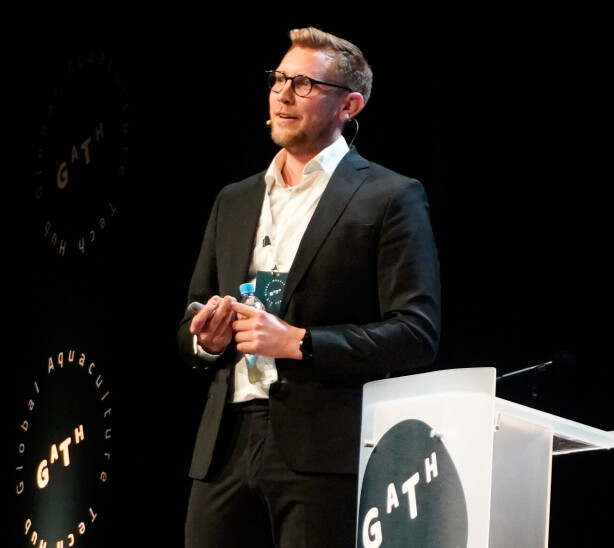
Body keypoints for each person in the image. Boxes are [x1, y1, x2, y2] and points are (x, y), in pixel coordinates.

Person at [176, 26, 441, 548]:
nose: (282, 93)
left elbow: (416, 333)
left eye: (303, 83)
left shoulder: (389, 196)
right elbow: (190, 315)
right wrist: (201, 340)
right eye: (278, 78)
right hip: (223, 447)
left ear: (350, 104)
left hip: (323, 453)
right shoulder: (234, 198)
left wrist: (299, 342)